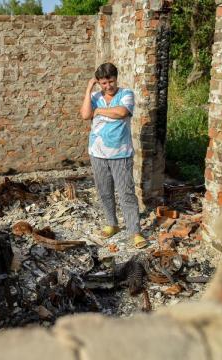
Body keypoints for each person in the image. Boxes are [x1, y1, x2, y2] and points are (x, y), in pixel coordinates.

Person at [80, 63, 148, 249]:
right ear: (98, 83)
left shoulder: (126, 94)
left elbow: (121, 112)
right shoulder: (94, 96)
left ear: (116, 79)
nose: (108, 86)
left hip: (120, 154)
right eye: (103, 83)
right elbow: (86, 115)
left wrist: (100, 111)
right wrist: (88, 88)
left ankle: (135, 232)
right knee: (104, 191)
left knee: (126, 193)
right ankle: (112, 224)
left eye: (110, 81)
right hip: (97, 153)